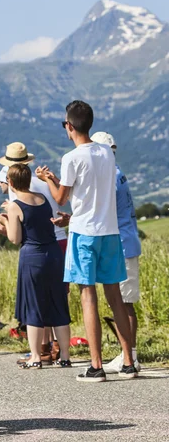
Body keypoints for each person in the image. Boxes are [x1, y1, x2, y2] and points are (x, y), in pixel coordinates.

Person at [36, 100, 137, 382]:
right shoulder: (106, 152)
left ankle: (96, 365)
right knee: (115, 296)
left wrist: (48, 179)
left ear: (69, 126)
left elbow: (60, 198)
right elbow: (89, 185)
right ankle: (129, 361)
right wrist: (60, 180)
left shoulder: (71, 158)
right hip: (110, 232)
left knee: (87, 296)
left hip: (84, 233)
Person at [0, 164, 72, 368]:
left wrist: (4, 222)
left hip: (33, 256)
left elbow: (15, 238)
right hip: (53, 253)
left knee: (34, 305)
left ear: (10, 182)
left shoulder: (15, 205)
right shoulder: (42, 199)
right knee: (58, 304)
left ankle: (35, 356)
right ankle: (65, 356)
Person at [91, 132, 142, 373]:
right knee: (123, 301)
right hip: (126, 240)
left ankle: (129, 355)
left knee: (124, 302)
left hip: (122, 243)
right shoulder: (117, 172)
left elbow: (103, 210)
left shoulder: (110, 176)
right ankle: (127, 354)